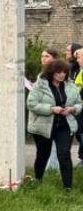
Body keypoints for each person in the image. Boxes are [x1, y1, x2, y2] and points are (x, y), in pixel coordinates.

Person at [26, 57, 81, 190]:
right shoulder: (40, 85)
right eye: (58, 72)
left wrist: (73, 109)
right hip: (43, 126)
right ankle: (38, 179)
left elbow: (79, 103)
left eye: (64, 72)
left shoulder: (71, 85)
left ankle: (67, 187)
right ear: (51, 72)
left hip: (64, 126)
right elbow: (31, 104)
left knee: (64, 154)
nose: (62, 75)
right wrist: (51, 109)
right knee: (42, 154)